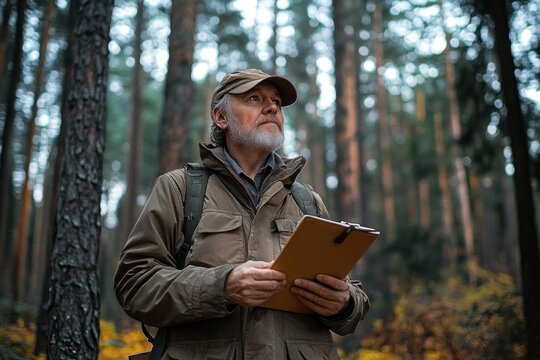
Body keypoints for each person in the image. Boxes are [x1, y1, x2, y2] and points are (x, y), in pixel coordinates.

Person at [114, 68, 370, 359]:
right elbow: (134, 284)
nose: (272, 106)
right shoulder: (180, 189)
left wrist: (344, 304)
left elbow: (353, 296)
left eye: (276, 101)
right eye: (254, 97)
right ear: (221, 118)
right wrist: (221, 286)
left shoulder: (306, 200)